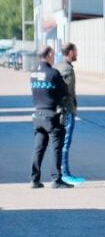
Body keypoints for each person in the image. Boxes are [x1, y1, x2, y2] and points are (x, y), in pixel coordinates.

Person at [29, 45, 72, 189]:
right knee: (56, 147)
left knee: (38, 148)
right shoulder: (53, 73)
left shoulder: (33, 73)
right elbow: (65, 91)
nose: (54, 57)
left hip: (37, 116)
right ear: (47, 55)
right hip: (51, 115)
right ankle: (56, 179)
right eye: (53, 54)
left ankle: (34, 179)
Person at [55, 42, 84, 184]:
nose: (77, 54)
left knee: (60, 143)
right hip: (66, 112)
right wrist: (68, 109)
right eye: (76, 51)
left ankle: (60, 172)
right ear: (71, 52)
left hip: (60, 111)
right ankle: (64, 173)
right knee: (65, 143)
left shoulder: (58, 67)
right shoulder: (66, 69)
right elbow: (66, 92)